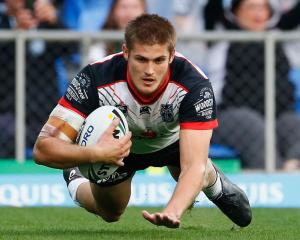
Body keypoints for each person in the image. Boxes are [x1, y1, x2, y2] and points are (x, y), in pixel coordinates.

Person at [33, 14, 251, 228]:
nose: (149, 71)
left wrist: (172, 211)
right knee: (110, 213)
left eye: (158, 60)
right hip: (115, 149)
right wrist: (95, 153)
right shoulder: (94, 78)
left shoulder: (194, 84)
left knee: (194, 172)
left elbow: (192, 165)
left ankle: (211, 180)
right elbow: (42, 150)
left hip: (172, 142)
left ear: (171, 55)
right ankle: (75, 178)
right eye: (141, 59)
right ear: (126, 52)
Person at [204, 0, 300, 170]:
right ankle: (276, 181)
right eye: (251, 7)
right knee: (253, 127)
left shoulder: (277, 35)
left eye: (263, 7)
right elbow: (212, 9)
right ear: (236, 11)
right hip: (228, 114)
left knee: (293, 126)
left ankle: (292, 169)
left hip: (277, 115)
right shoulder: (223, 35)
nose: (258, 13)